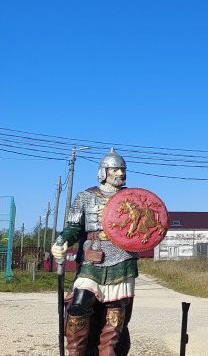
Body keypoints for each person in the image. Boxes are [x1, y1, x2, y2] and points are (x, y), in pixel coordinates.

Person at [52, 149, 137, 356]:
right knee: (79, 304)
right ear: (104, 172)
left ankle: (108, 353)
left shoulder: (132, 199)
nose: (120, 173)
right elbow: (74, 227)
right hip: (92, 259)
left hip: (122, 260)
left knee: (115, 313)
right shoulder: (85, 197)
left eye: (122, 169)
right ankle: (76, 352)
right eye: (115, 169)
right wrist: (62, 241)